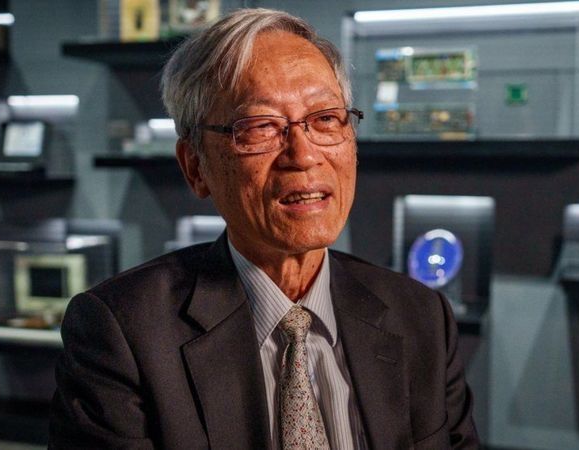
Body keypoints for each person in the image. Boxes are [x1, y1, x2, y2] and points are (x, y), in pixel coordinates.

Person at [49, 8, 478, 449]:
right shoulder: (123, 335)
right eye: (260, 127)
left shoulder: (422, 317)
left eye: (326, 119)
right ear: (195, 166)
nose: (303, 155)